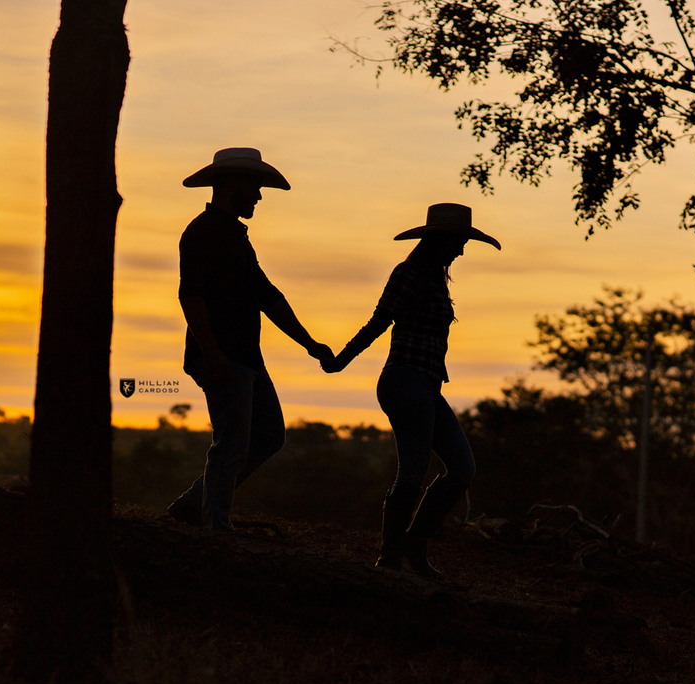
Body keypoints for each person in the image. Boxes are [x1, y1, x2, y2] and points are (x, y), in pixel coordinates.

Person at [322, 203, 500, 579]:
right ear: (441, 240)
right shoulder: (409, 274)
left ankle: (413, 545)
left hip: (428, 386)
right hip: (405, 381)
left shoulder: (435, 279)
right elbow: (380, 321)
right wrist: (341, 360)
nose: (462, 251)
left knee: (462, 469)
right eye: (460, 242)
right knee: (413, 471)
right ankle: (390, 557)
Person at [167, 147, 333, 529]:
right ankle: (215, 526)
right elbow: (190, 295)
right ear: (233, 184)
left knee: (269, 435)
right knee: (232, 442)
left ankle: (195, 506)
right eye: (255, 187)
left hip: (245, 358)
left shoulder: (237, 238)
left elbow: (267, 296)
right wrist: (211, 352)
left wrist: (310, 344)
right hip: (224, 357)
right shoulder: (202, 232)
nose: (258, 196)